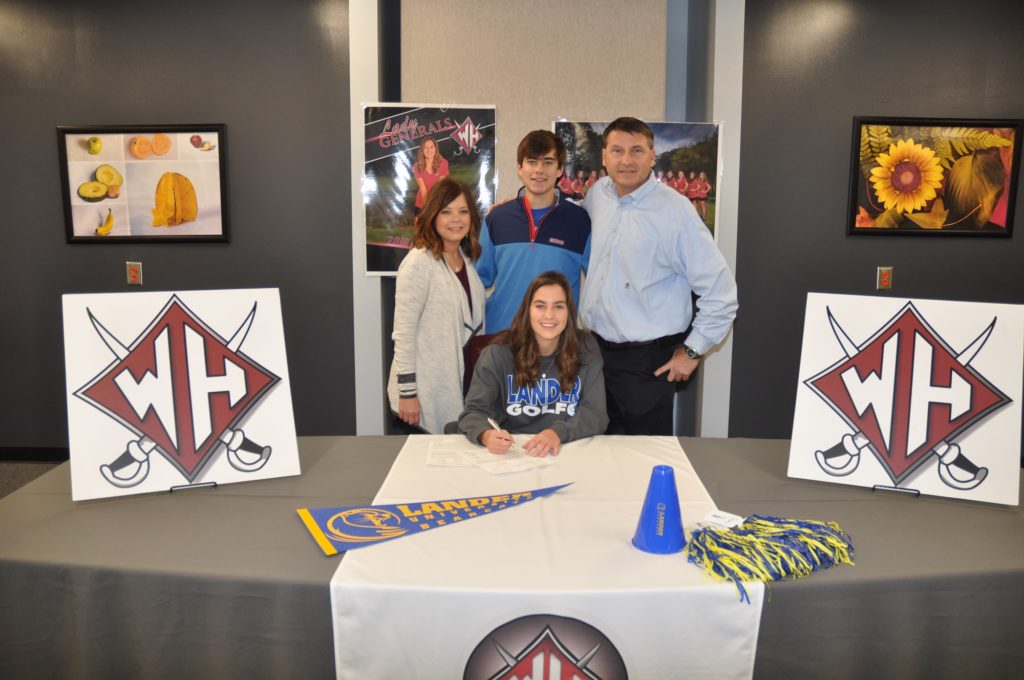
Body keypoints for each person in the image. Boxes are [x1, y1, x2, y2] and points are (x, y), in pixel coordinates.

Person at [580, 117, 737, 435]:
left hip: (647, 364)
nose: (626, 160)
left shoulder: (676, 211)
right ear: (604, 156)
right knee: (598, 455)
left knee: (643, 461)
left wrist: (692, 351)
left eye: (637, 150)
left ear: (652, 156)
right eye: (617, 150)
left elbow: (721, 294)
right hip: (595, 356)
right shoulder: (597, 196)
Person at [459, 271, 608, 456]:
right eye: (540, 306)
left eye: (558, 307)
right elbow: (474, 412)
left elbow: (596, 414)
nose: (549, 315)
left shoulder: (586, 348)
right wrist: (486, 435)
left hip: (568, 448)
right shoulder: (497, 353)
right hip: (514, 452)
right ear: (527, 310)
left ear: (569, 312)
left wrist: (557, 433)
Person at [388, 178, 485, 434]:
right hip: (421, 399)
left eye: (463, 211)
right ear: (432, 215)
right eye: (446, 212)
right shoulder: (419, 263)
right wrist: (407, 393)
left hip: (455, 388)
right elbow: (403, 333)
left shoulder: (465, 261)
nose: (456, 219)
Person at [476, 130, 591, 333]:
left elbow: (599, 283)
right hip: (502, 339)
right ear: (520, 168)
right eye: (531, 162)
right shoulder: (497, 218)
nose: (539, 170)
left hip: (556, 344)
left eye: (547, 162)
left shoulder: (579, 221)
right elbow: (476, 282)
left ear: (560, 169)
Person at [412, 138, 449, 213]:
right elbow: (423, 190)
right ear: (422, 150)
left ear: (436, 148)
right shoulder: (417, 166)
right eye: (426, 148)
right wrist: (428, 209)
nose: (429, 150)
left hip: (438, 203)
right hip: (421, 204)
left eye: (431, 147)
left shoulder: (443, 163)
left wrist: (435, 208)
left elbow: (440, 187)